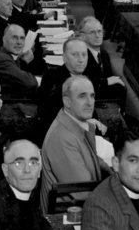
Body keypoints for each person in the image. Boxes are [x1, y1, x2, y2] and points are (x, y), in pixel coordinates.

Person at [40, 76, 109, 212]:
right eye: (82, 96)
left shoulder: (77, 124)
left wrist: (115, 173)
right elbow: (83, 192)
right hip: (65, 216)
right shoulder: (62, 138)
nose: (90, 102)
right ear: (67, 102)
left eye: (92, 96)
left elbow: (92, 160)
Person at [0, 24, 46, 99]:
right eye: (14, 38)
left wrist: (23, 61)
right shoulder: (1, 59)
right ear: (4, 39)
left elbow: (18, 75)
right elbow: (30, 83)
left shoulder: (4, 52)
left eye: (22, 38)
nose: (19, 42)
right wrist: (46, 82)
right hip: (9, 105)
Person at [76, 16, 125, 99]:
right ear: (83, 36)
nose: (97, 35)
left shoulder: (104, 54)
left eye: (99, 31)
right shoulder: (80, 56)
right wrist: (106, 82)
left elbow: (108, 77)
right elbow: (82, 83)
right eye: (92, 32)